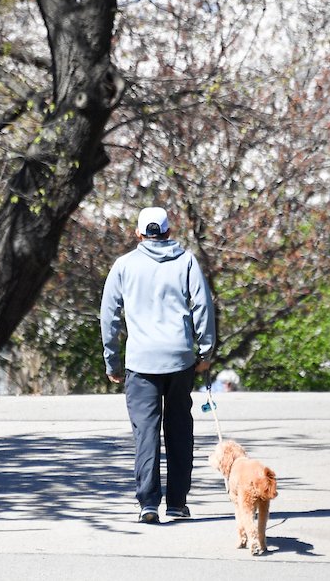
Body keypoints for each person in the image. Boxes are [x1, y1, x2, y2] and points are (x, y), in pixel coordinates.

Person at [100, 206, 216, 524]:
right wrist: (205, 353)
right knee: (179, 429)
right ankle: (177, 502)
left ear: (138, 234)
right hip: (179, 357)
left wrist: (112, 362)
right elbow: (203, 306)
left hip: (141, 361)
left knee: (146, 432)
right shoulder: (187, 261)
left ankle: (149, 503)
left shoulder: (123, 266)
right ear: (168, 231)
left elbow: (108, 316)